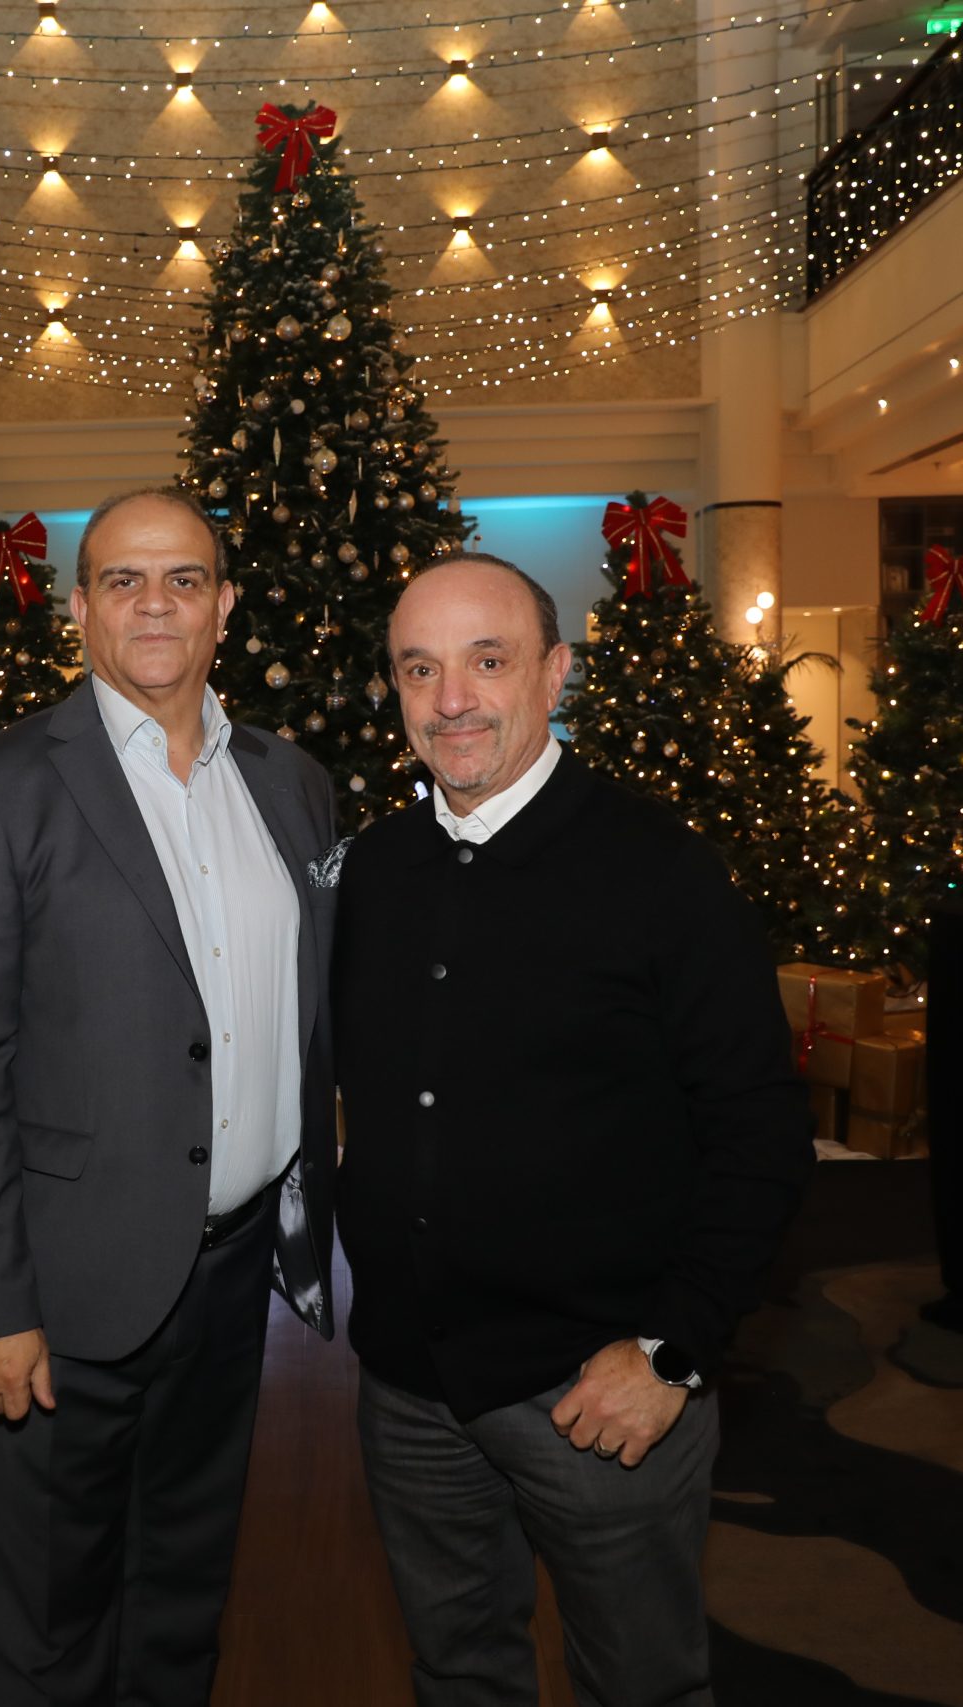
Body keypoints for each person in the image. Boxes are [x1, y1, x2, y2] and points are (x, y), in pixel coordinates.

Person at [333, 553, 812, 1707]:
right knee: (457, 1674)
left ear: (554, 673)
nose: (452, 699)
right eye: (419, 669)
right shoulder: (373, 871)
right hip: (410, 1391)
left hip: (600, 1394)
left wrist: (674, 1350)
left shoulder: (660, 872)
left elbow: (760, 1131)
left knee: (640, 1686)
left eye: (486, 661)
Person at [0, 486, 342, 1704]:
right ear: (81, 607)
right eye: (123, 581)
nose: (155, 605)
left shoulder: (291, 782)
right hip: (62, 1292)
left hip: (232, 1277)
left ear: (225, 607)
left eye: (184, 580)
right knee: (55, 1618)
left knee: (183, 1595)